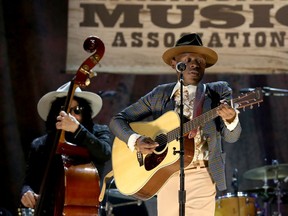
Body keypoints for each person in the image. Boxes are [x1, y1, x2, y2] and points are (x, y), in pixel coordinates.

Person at [109, 33, 242, 216]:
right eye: (188, 59)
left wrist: (230, 119)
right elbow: (117, 120)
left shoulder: (218, 91)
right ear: (174, 63)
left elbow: (231, 137)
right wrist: (135, 139)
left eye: (200, 61)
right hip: (166, 174)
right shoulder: (160, 95)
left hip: (202, 173)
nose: (195, 64)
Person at [20, 82, 112, 214]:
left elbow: (105, 153)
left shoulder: (98, 132)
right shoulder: (40, 144)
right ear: (55, 114)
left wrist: (77, 130)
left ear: (85, 113)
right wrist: (26, 192)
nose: (71, 116)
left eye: (77, 111)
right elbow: (29, 181)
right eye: (66, 111)